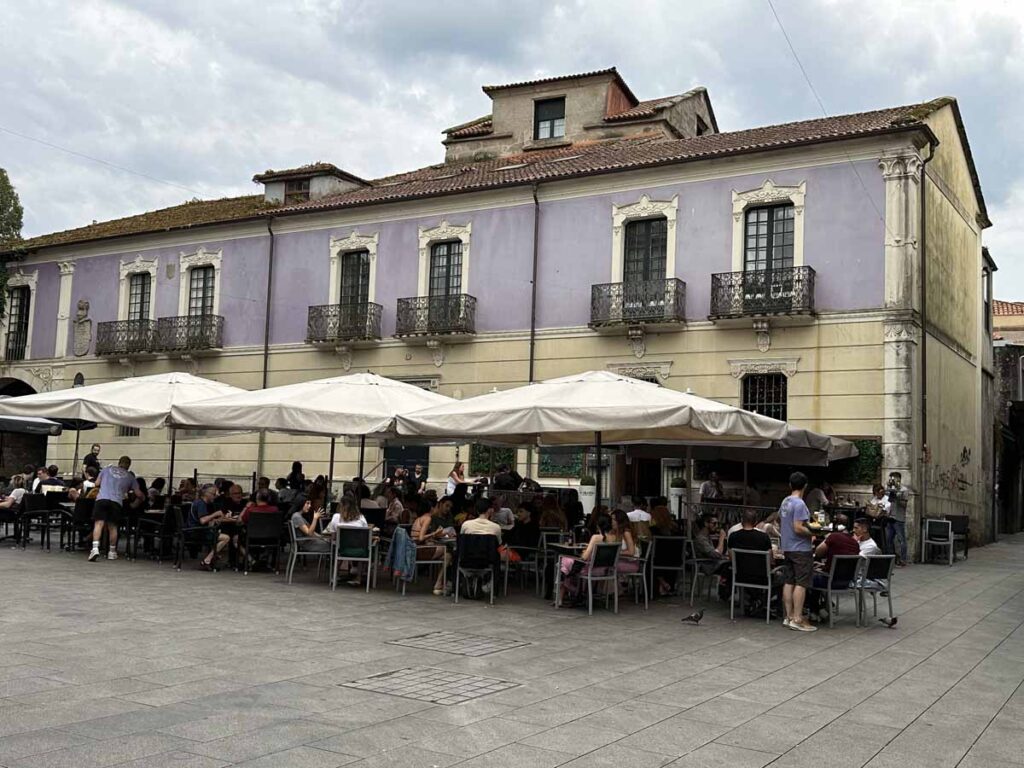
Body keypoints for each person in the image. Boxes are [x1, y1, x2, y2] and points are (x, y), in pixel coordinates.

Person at [779, 471, 817, 632]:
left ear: (790, 485)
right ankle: (797, 617)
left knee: (789, 581)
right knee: (801, 583)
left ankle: (788, 617)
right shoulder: (800, 504)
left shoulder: (785, 501)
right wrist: (814, 532)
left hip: (787, 546)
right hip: (800, 548)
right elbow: (798, 527)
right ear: (805, 486)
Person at [88, 456, 143, 562]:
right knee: (113, 526)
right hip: (116, 501)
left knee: (98, 524)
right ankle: (112, 552)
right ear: (129, 465)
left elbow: (97, 484)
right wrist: (139, 500)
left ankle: (95, 548)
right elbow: (139, 494)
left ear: (119, 462)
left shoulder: (106, 470)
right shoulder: (130, 477)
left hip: (102, 499)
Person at [808, 513, 860, 622]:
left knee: (809, 577)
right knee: (818, 575)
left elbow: (818, 552)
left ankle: (814, 610)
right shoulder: (855, 543)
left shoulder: (834, 537)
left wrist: (826, 539)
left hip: (830, 580)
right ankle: (822, 608)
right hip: (846, 582)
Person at [330, 497, 372, 587]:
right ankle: (358, 577)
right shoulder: (361, 518)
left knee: (338, 546)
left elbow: (333, 537)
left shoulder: (336, 517)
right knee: (363, 545)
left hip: (342, 550)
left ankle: (335, 575)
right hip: (360, 551)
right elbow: (365, 536)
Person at [189, 484, 231, 571]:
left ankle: (213, 556)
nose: (214, 496)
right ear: (206, 493)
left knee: (219, 534)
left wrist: (215, 520)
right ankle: (208, 560)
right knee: (226, 538)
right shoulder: (201, 504)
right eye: (213, 494)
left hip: (195, 530)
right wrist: (215, 514)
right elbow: (203, 520)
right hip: (197, 532)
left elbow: (205, 520)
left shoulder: (198, 502)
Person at [885, 472, 910, 566]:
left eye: (894, 479)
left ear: (899, 479)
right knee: (889, 539)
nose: (893, 480)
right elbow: (887, 500)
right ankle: (891, 559)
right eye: (891, 478)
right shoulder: (890, 489)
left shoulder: (904, 490)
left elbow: (904, 505)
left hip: (899, 518)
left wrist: (897, 498)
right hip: (890, 516)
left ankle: (903, 560)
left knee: (901, 540)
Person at [692, 512, 729, 576]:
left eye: (718, 524)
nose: (717, 526)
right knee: (730, 567)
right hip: (707, 566)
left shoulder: (706, 536)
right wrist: (721, 538)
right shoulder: (701, 539)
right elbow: (717, 554)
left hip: (711, 563)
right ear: (706, 523)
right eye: (714, 523)